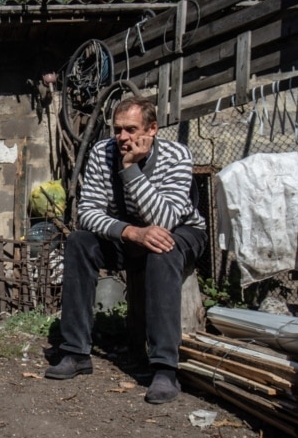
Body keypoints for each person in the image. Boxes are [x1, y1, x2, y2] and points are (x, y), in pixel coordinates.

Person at [45, 95, 206, 403]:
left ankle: (164, 369)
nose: (122, 138)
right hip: (130, 233)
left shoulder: (176, 156)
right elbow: (88, 212)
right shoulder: (101, 153)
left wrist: (130, 168)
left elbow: (166, 219)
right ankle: (75, 352)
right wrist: (131, 232)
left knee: (164, 248)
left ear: (153, 129)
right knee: (80, 242)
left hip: (180, 230)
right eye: (117, 130)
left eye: (131, 130)